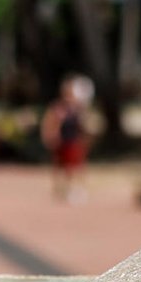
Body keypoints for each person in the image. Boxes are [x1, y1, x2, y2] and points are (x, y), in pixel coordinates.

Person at [44, 75, 94, 205]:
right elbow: (50, 122)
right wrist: (51, 135)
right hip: (63, 140)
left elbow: (84, 125)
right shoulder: (59, 108)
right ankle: (62, 190)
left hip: (74, 140)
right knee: (61, 167)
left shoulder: (78, 108)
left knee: (77, 167)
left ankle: (77, 189)